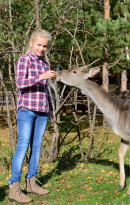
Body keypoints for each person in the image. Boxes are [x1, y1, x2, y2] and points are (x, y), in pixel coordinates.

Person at [8, 30, 57, 204]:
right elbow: (20, 83)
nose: (42, 48)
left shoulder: (44, 63)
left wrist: (50, 108)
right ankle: (14, 187)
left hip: (42, 111)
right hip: (27, 109)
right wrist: (41, 76)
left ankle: (32, 183)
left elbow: (45, 89)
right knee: (22, 146)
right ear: (31, 43)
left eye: (44, 46)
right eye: (39, 45)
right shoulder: (24, 60)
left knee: (36, 148)